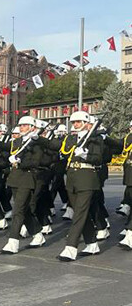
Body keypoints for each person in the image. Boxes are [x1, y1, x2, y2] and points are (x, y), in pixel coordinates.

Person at [57, 112, 104, 261]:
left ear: (85, 122)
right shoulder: (71, 138)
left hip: (87, 178)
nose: (75, 124)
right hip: (72, 178)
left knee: (79, 214)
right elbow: (63, 151)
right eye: (74, 122)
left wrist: (85, 155)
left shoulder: (95, 138)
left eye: (78, 122)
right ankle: (92, 244)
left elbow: (98, 159)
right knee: (80, 212)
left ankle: (71, 247)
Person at [0, 117, 48, 255]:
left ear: (33, 127)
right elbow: (5, 147)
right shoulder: (18, 141)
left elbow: (36, 162)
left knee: (18, 210)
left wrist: (19, 162)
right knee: (24, 210)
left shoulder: (37, 143)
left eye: (25, 125)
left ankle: (12, 242)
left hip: (27, 178)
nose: (22, 127)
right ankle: (38, 235)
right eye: (20, 125)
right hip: (14, 178)